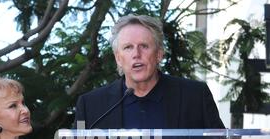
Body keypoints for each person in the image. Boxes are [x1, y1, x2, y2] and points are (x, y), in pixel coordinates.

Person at [74, 14, 224, 130]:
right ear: (118, 58)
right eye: (128, 47)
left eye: (144, 46)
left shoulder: (195, 97)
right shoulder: (91, 106)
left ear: (159, 54)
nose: (136, 54)